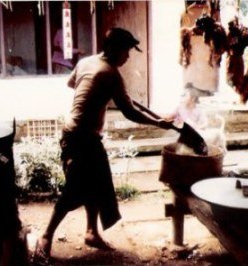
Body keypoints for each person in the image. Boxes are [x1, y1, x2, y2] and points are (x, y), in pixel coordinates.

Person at [34, 27, 173, 262]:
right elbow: (129, 112)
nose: (128, 56)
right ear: (114, 49)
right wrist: (158, 122)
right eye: (126, 51)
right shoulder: (111, 74)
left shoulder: (86, 62)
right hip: (81, 138)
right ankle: (46, 235)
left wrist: (99, 92)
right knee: (74, 190)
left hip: (76, 133)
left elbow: (72, 83)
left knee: (96, 184)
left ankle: (91, 232)